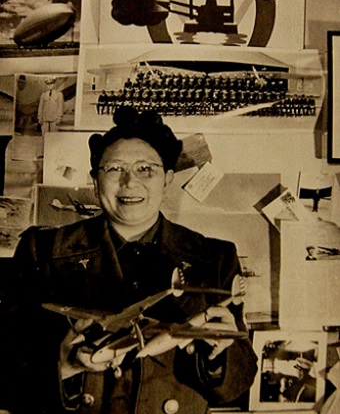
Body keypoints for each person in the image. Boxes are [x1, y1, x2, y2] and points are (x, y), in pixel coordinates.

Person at [4, 106, 258, 414]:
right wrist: (65, 365)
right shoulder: (41, 250)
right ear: (95, 181)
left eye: (145, 170)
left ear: (166, 180)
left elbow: (237, 385)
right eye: (114, 169)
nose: (129, 183)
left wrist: (218, 354)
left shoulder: (214, 258)